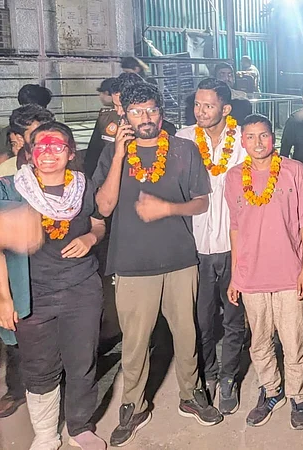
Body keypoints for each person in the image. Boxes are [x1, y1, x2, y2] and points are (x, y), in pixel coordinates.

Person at [93, 82, 222, 446]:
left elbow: (201, 202)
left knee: (187, 335)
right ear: (125, 116)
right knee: (135, 343)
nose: (145, 118)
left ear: (161, 112)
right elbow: (103, 207)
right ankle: (133, 405)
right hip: (132, 264)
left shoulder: (183, 149)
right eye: (136, 112)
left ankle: (191, 395)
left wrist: (168, 209)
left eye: (151, 110)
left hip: (181, 260)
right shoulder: (112, 153)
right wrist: (118, 155)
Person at [0, 122, 107, 450]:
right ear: (29, 153)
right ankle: (46, 434)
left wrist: (90, 237)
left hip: (81, 289)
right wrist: (4, 298)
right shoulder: (9, 188)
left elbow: (99, 223)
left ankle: (79, 427)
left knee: (82, 361)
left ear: (70, 152)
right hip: (33, 295)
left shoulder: (83, 187)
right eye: (41, 147)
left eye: (57, 146)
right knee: (39, 365)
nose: (48, 153)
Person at [224, 114, 303, 430]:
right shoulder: (234, 176)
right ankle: (271, 390)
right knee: (259, 341)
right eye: (250, 137)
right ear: (242, 142)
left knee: (294, 341)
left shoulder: (294, 171)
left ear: (273, 137)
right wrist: (235, 275)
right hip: (251, 274)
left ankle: (298, 395)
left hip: (289, 273)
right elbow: (236, 228)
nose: (258, 143)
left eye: (263, 135)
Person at [175, 78, 248, 415]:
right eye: (197, 105)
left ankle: (230, 376)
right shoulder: (183, 139)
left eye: (208, 105)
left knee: (234, 319)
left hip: (235, 245)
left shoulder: (243, 142)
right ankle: (208, 374)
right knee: (201, 320)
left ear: (225, 109)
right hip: (195, 246)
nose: (200, 111)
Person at [108, 73, 177, 136]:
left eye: (121, 106)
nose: (119, 112)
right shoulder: (107, 122)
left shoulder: (166, 130)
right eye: (115, 105)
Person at [183, 64, 251, 126]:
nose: (227, 78)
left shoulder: (241, 98)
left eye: (230, 75)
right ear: (214, 77)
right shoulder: (197, 98)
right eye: (222, 75)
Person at [84, 78, 123, 177]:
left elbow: (95, 148)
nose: (119, 111)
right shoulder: (105, 116)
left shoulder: (105, 117)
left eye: (101, 93)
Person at [9, 104, 55, 169]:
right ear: (20, 139)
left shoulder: (65, 161)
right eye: (37, 134)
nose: (45, 139)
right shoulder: (7, 170)